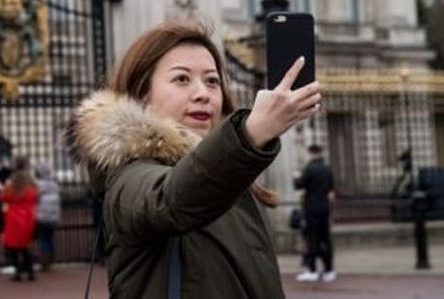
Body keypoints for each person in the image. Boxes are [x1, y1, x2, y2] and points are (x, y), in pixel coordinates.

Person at [68, 22, 321, 298]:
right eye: (182, 79)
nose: (203, 93)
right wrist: (249, 134)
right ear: (142, 94)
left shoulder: (233, 175)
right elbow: (169, 200)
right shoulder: (128, 176)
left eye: (212, 81)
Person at [295, 143, 337, 282]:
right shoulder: (327, 168)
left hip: (312, 207)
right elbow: (331, 188)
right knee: (326, 239)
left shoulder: (309, 168)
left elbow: (299, 185)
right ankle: (329, 270)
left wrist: (296, 177)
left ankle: (312, 270)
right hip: (324, 206)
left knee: (312, 238)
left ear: (311, 153)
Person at [0, 157, 38, 282]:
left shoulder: (12, 184)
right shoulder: (31, 183)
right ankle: (30, 271)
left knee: (13, 247)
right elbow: (35, 196)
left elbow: (2, 197)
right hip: (28, 217)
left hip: (14, 217)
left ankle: (18, 272)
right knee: (25, 247)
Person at [33, 162, 61, 272]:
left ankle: (45, 259)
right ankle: (50, 257)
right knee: (49, 237)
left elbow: (34, 198)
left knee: (42, 238)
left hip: (41, 216)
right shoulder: (54, 184)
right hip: (53, 216)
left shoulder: (37, 185)